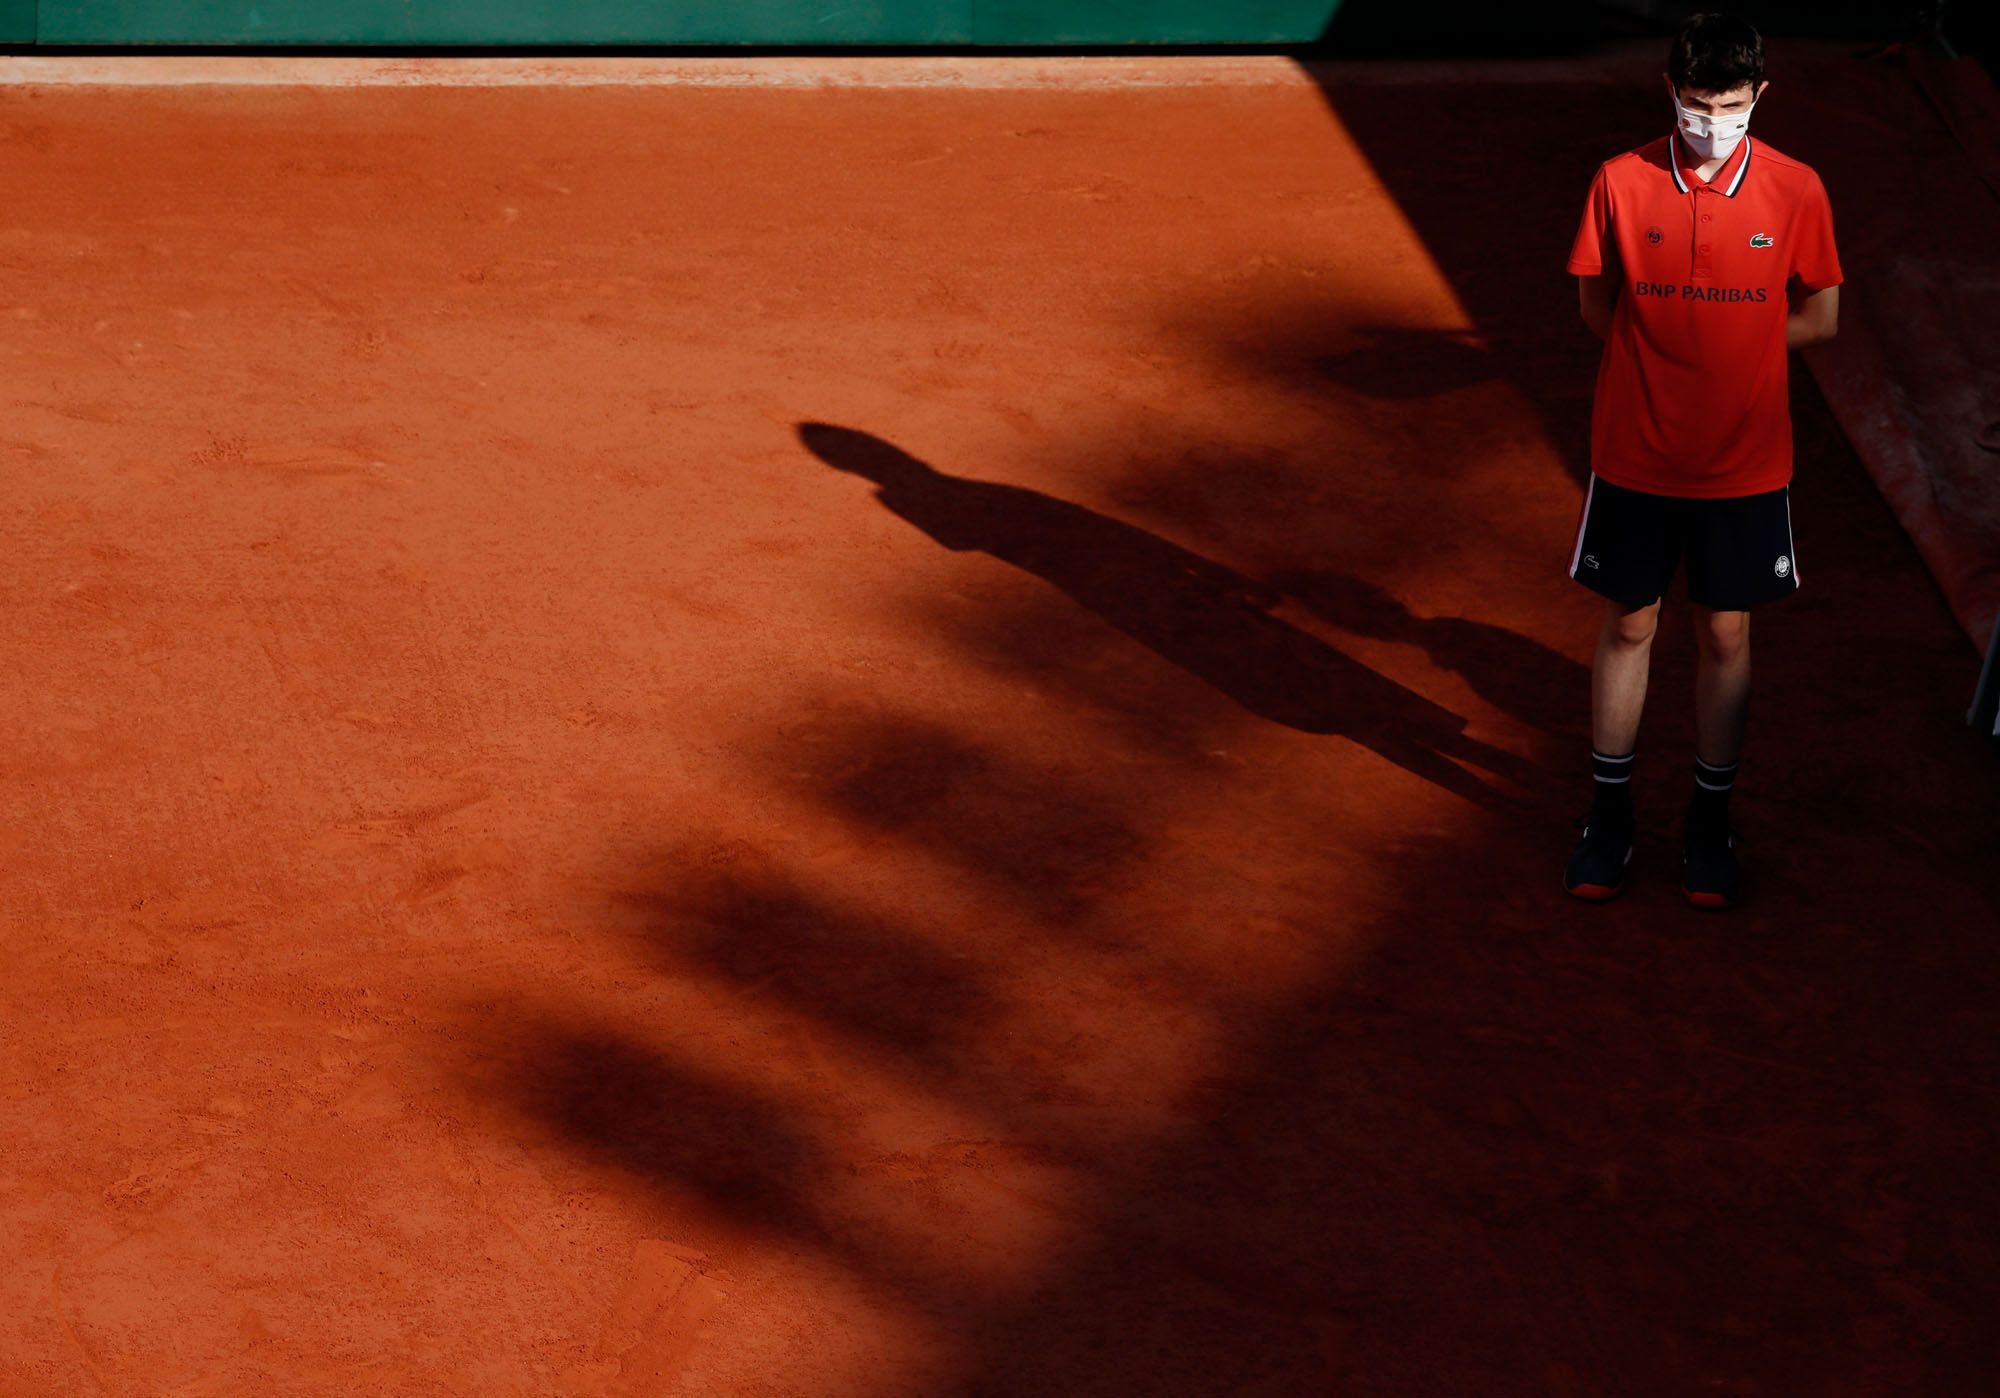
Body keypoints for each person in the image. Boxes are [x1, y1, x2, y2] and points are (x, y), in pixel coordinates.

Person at [1562, 12, 1842, 908]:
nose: (1710, 122)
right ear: (1670, 95)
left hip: (1745, 464)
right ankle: (1609, 819)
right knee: (1631, 624)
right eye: (1694, 103)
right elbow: (1597, 309)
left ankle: (1708, 824)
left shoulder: (1798, 190)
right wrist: (1666, 373)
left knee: (1725, 633)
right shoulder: (1618, 181)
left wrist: (1741, 360)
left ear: (1759, 97)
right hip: (1636, 454)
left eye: (1728, 104)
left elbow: (1823, 316)